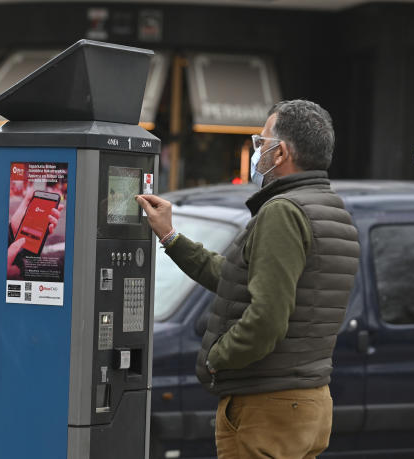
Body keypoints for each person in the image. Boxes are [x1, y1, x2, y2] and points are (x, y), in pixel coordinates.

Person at [136, 99, 360, 459]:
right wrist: (171, 237)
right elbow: (236, 280)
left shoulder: (284, 211)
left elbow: (268, 317)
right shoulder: (331, 210)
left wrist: (217, 357)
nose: (257, 152)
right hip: (308, 401)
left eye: (261, 142)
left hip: (266, 404)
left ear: (281, 152)